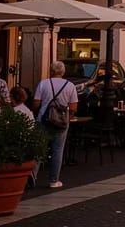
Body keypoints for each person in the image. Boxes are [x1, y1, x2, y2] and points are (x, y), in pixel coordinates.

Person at [31, 60, 78, 189]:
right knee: (58, 150)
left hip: (43, 119)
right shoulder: (70, 86)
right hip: (61, 122)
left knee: (39, 149)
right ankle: (53, 180)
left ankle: (32, 176)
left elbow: (36, 104)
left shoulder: (43, 84)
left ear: (51, 70)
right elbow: (73, 107)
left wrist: (38, 111)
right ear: (63, 72)